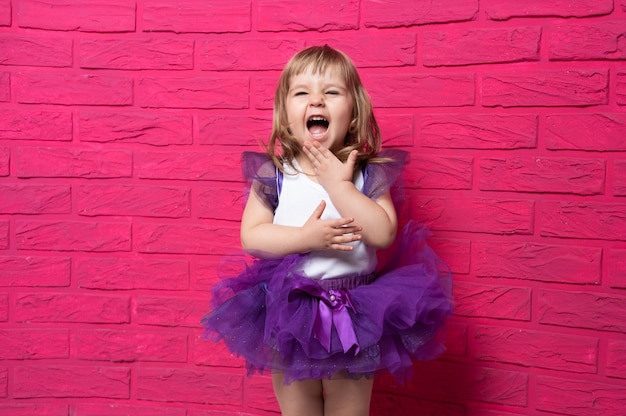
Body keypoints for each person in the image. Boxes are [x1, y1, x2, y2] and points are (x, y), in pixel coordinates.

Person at [202, 45, 453, 416]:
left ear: (353, 112)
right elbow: (252, 237)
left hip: (353, 309)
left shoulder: (367, 174)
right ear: (286, 113)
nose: (316, 100)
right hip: (289, 308)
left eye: (331, 92)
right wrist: (306, 239)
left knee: (348, 409)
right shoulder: (276, 174)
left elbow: (382, 233)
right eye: (302, 92)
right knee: (298, 406)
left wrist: (341, 187)